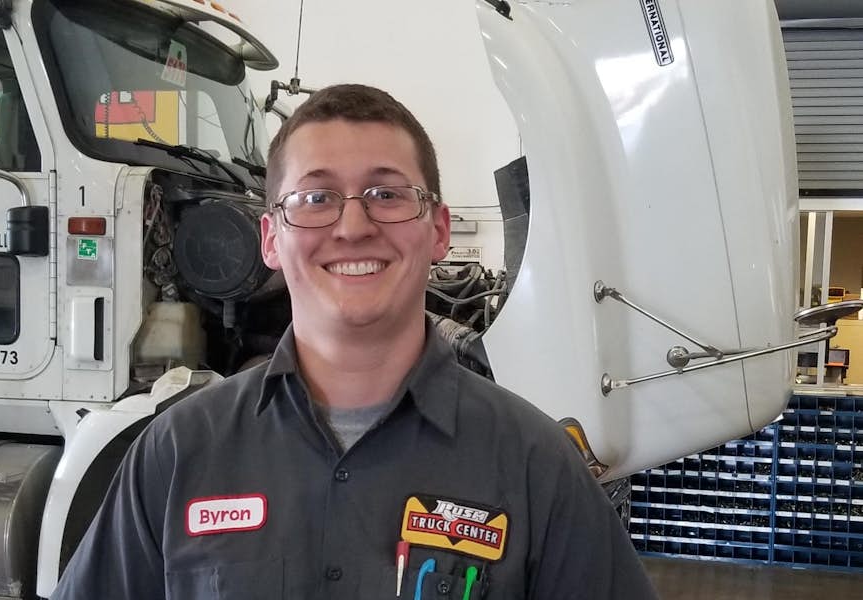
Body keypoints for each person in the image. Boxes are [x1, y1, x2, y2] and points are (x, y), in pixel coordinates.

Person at [52, 84, 659, 599]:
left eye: (387, 194)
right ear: (270, 239)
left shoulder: (535, 464)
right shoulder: (178, 453)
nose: (352, 226)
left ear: (439, 229)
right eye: (316, 198)